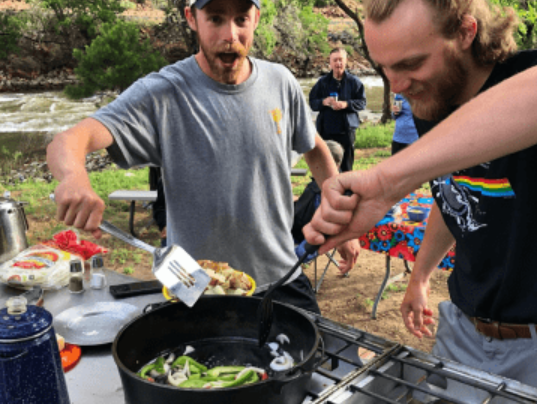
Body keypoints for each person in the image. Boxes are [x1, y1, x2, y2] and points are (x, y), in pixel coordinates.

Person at [46, 0, 359, 314]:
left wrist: (339, 219)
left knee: (314, 359)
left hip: (280, 276)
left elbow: (315, 148)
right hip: (195, 284)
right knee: (188, 365)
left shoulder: (281, 81)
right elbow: (70, 139)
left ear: (257, 19)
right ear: (191, 18)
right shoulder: (163, 92)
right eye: (215, 18)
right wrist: (74, 177)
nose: (230, 34)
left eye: (241, 19)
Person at [303, 0, 537, 387]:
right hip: (462, 325)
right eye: (384, 68)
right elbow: (455, 196)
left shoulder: (522, 77)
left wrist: (386, 182)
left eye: (410, 64)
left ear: (465, 32)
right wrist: (421, 277)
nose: (396, 85)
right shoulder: (434, 101)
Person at [293, 140, 357, 271]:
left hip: (302, 237)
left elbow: (325, 229)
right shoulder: (344, 190)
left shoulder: (328, 193)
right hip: (300, 232)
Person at [309, 48, 366, 172]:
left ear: (346, 62)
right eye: (335, 60)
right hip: (326, 129)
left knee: (346, 166)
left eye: (341, 60)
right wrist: (323, 102)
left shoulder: (354, 82)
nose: (338, 63)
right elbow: (312, 103)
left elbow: (362, 103)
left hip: (347, 129)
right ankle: (325, 189)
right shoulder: (322, 82)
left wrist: (346, 104)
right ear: (330, 63)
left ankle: (346, 190)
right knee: (327, 164)